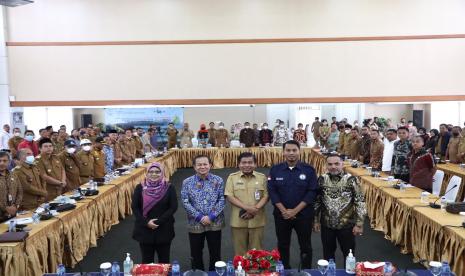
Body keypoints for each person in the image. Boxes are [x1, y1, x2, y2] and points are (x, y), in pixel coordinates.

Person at [267, 140, 318, 269]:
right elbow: (272, 192)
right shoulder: (275, 170)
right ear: (283, 152)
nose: (291, 153)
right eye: (288, 150)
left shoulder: (309, 170)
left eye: (294, 150)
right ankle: (285, 269)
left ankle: (306, 270)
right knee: (283, 244)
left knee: (305, 245)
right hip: (281, 216)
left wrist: (294, 211)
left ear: (299, 152)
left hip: (304, 215)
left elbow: (312, 193)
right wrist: (284, 211)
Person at [313, 154, 365, 263]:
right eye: (330, 164)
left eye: (336, 164)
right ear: (326, 165)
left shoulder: (351, 179)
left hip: (347, 225)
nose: (333, 167)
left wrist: (359, 223)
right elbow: (317, 201)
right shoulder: (322, 179)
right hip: (326, 225)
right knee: (327, 255)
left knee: (349, 255)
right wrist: (315, 220)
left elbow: (360, 201)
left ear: (342, 164)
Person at [181, 155, 225, 271]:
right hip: (195, 223)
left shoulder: (218, 180)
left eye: (205, 164)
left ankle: (215, 273)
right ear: (194, 167)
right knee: (196, 253)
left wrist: (211, 216)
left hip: (214, 222)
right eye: (199, 164)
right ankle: (197, 273)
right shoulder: (187, 182)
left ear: (210, 165)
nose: (202, 167)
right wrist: (200, 217)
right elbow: (185, 202)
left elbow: (222, 199)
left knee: (215, 252)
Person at [132, 162, 178, 264]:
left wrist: (158, 222)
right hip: (144, 230)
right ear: (147, 173)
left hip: (164, 228)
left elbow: (173, 207)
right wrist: (146, 222)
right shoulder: (140, 188)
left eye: (157, 172)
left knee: (164, 261)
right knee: (147, 261)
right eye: (151, 171)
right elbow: (135, 207)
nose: (154, 174)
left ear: (162, 173)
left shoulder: (169, 187)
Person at [225, 152, 269, 255]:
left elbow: (266, 196)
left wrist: (255, 209)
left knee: (256, 252)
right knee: (240, 252)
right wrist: (249, 209)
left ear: (255, 164)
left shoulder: (262, 177)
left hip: (257, 220)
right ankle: (241, 271)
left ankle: (255, 271)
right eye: (243, 162)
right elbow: (229, 196)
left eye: (250, 162)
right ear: (238, 164)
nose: (247, 165)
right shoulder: (232, 177)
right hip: (238, 220)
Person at [0, 151, 22, 222]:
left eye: (4, 161)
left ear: (9, 162)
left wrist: (16, 206)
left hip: (13, 214)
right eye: (0, 161)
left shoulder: (13, 174)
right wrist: (5, 208)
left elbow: (20, 191)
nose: (2, 163)